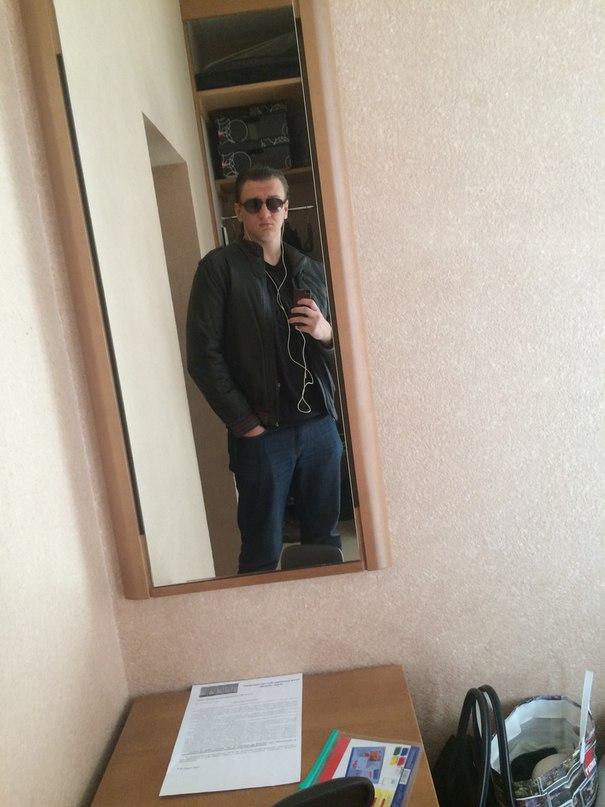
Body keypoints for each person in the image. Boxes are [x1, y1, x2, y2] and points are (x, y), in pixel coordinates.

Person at [186, 165, 342, 574]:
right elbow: (203, 356)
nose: (265, 212)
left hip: (319, 427)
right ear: (238, 211)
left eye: (273, 203)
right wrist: (245, 423)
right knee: (261, 551)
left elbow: (344, 352)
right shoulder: (219, 269)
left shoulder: (311, 270)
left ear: (287, 208)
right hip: (262, 435)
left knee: (325, 543)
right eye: (253, 204)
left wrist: (326, 334)